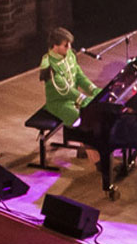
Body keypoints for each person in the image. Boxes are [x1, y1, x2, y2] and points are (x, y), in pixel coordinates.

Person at [37, 28, 97, 165]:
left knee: (94, 112)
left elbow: (79, 76)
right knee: (82, 122)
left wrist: (93, 90)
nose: (69, 47)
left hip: (73, 98)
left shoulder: (70, 54)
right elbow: (64, 90)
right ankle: (97, 162)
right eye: (65, 45)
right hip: (59, 103)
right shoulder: (49, 65)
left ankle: (84, 148)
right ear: (55, 46)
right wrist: (83, 99)